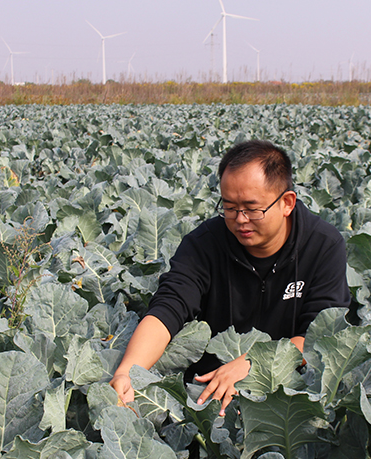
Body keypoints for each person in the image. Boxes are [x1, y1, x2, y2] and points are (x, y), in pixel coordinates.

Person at [110, 140, 350, 415]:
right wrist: (128, 371)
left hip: (288, 396)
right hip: (205, 394)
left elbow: (319, 335)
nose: (240, 219)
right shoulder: (204, 244)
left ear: (287, 203)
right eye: (230, 207)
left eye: (252, 208)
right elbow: (169, 308)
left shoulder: (323, 246)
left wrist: (252, 364)